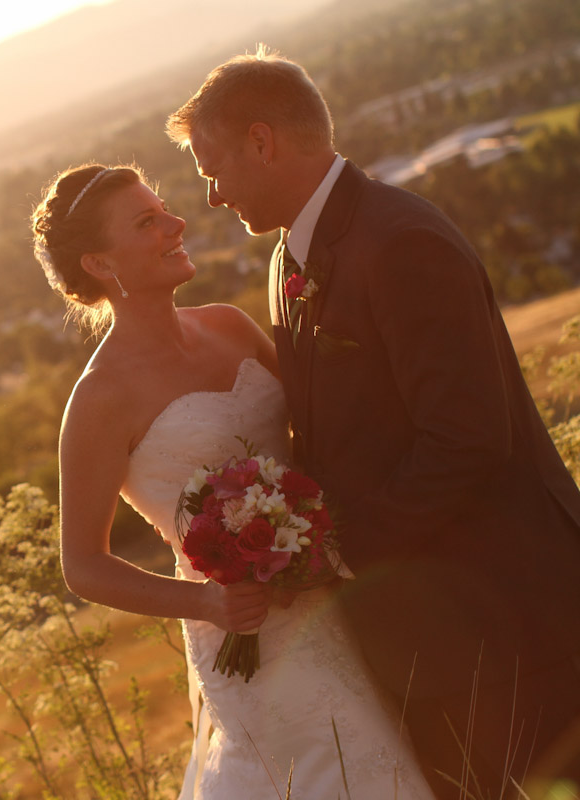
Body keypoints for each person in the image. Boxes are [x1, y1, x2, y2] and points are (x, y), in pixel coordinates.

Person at [167, 46, 580, 799]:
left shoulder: (400, 242)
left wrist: (337, 550)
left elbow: (468, 439)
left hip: (512, 620)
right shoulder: (287, 259)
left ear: (262, 141)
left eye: (211, 167)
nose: (212, 193)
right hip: (427, 636)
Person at [31, 162, 435, 798]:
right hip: (250, 634)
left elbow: (320, 430)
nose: (176, 222)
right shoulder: (98, 401)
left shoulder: (228, 324)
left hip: (340, 592)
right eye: (147, 222)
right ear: (101, 265)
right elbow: (82, 564)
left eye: (163, 208)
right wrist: (207, 602)